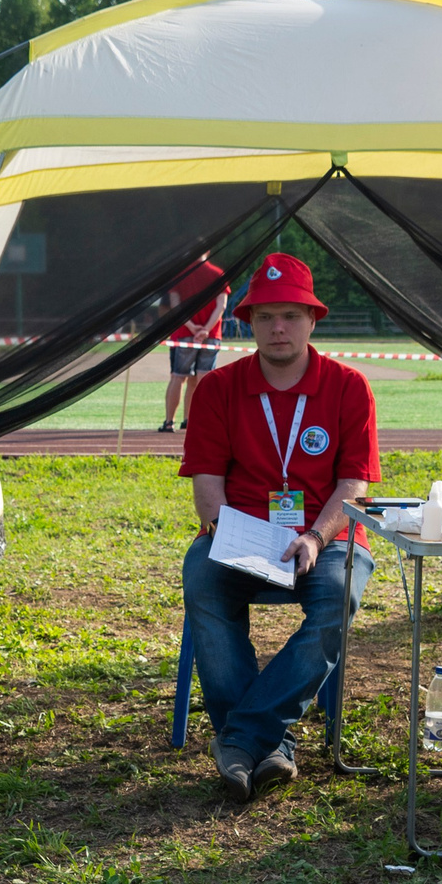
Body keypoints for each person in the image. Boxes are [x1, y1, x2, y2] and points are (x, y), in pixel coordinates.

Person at [178, 252, 379, 800]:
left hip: (325, 536)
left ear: (313, 320)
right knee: (203, 581)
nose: (278, 327)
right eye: (265, 316)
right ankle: (270, 747)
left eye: (291, 314)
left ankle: (242, 739)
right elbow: (207, 486)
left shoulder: (349, 387)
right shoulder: (219, 389)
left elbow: (352, 486)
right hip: (238, 532)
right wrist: (228, 533)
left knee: (339, 597)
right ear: (248, 323)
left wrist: (315, 536)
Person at [161, 254, 230, 433]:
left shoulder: (181, 275)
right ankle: (195, 421)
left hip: (184, 334)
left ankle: (169, 422)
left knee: (178, 377)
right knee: (203, 379)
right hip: (211, 335)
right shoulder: (217, 273)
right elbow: (221, 306)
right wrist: (206, 329)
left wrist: (192, 327)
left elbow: (176, 306)